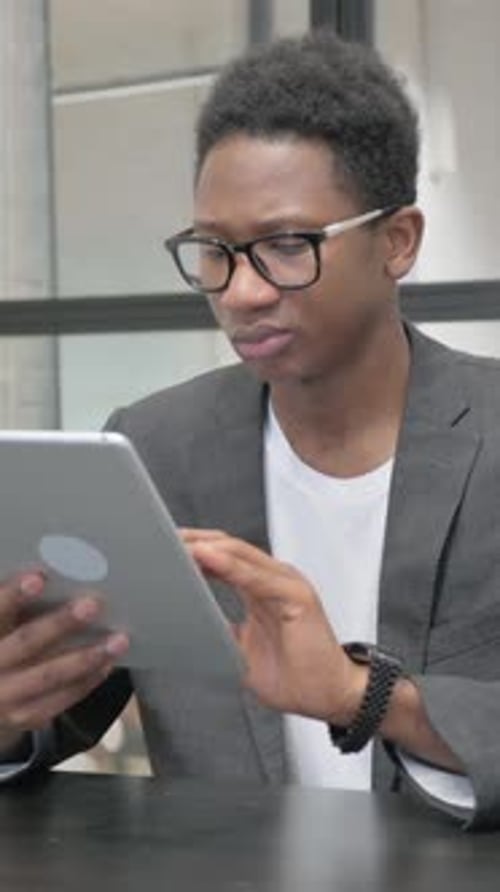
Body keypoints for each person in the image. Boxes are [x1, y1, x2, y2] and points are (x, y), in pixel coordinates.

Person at [1, 29, 500, 829]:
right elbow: (62, 704)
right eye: (215, 251)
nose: (239, 292)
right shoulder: (157, 447)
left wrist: (361, 696)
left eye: (284, 247)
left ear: (397, 241)